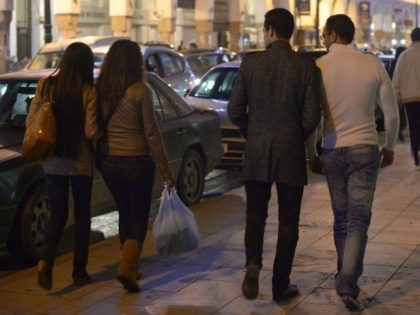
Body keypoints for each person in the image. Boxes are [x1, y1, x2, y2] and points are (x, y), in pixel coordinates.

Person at [228, 8, 321, 303]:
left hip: (257, 150)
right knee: (288, 221)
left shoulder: (251, 63)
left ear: (269, 31)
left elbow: (234, 109)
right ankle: (281, 284)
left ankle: (253, 263)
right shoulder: (306, 67)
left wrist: (251, 131)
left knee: (255, 214)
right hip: (290, 152)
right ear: (290, 32)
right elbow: (311, 117)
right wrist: (294, 136)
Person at [308, 15, 399, 310]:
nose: (323, 39)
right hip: (365, 148)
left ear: (333, 36)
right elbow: (392, 113)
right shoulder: (372, 64)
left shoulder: (319, 67)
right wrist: (389, 147)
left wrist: (313, 151)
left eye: (324, 35)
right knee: (359, 219)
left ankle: (343, 275)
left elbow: (313, 117)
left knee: (341, 217)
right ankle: (347, 281)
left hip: (333, 150)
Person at [95, 39, 175, 293]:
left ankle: (132, 266)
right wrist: (166, 172)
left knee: (124, 213)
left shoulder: (100, 91)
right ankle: (127, 268)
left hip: (110, 164)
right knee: (138, 216)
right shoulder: (140, 91)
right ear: (134, 62)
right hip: (137, 162)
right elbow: (151, 133)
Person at [33, 42, 102, 291]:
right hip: (79, 160)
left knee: (58, 213)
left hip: (52, 159)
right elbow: (91, 131)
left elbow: (35, 118)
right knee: (82, 215)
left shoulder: (46, 85)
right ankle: (79, 271)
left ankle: (46, 261)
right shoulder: (88, 91)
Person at [392, 28, 420, 170]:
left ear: (411, 38)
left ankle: (417, 159)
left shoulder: (404, 55)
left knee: (414, 129)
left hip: (410, 98)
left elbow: (397, 78)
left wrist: (397, 98)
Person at [389, 46, 407, 141]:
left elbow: (391, 76)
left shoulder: (393, 63)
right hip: (404, 91)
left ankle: (397, 129)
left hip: (393, 91)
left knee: (397, 112)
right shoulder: (404, 62)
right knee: (403, 112)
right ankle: (401, 128)